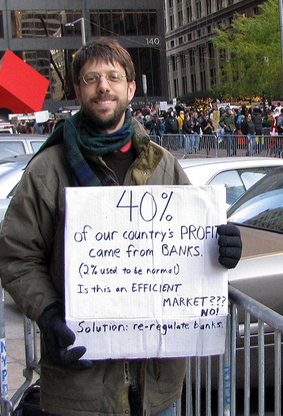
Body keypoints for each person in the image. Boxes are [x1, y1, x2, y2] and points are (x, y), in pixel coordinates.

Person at [0, 38, 242, 416]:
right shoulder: (48, 169)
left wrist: (222, 247)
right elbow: (17, 255)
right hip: (81, 389)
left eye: (114, 76)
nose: (103, 86)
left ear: (131, 88)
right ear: (78, 89)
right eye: (91, 78)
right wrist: (48, 315)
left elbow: (191, 244)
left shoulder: (164, 165)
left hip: (157, 390)